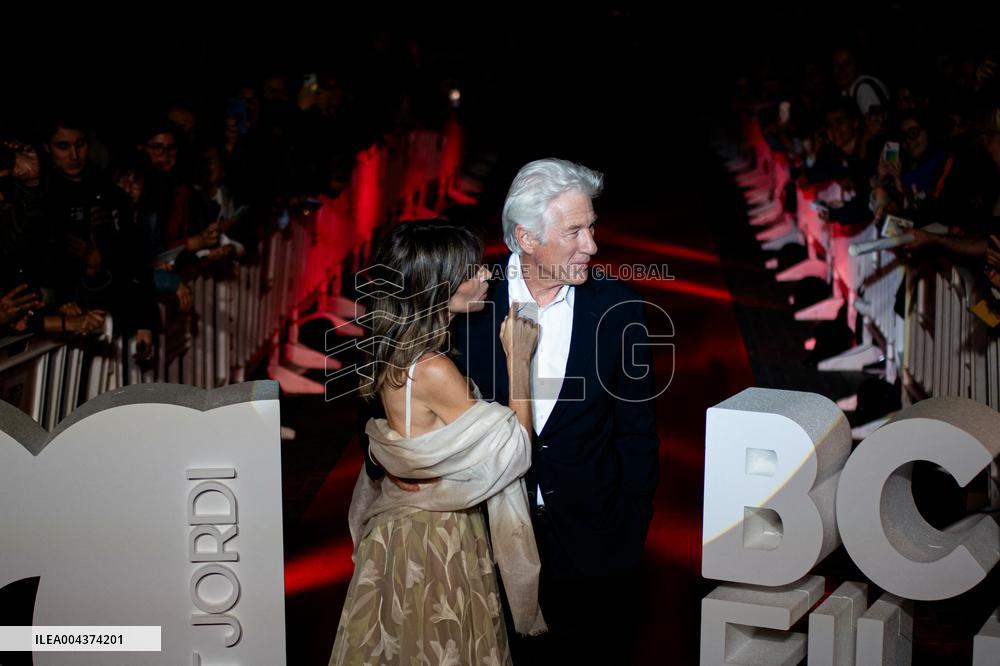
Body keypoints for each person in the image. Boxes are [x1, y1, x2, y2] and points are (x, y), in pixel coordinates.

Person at [331, 220, 545, 666]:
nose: (487, 277)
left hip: (401, 531)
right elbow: (515, 450)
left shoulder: (395, 350)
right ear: (437, 287)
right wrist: (519, 362)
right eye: (472, 271)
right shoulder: (432, 368)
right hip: (437, 536)